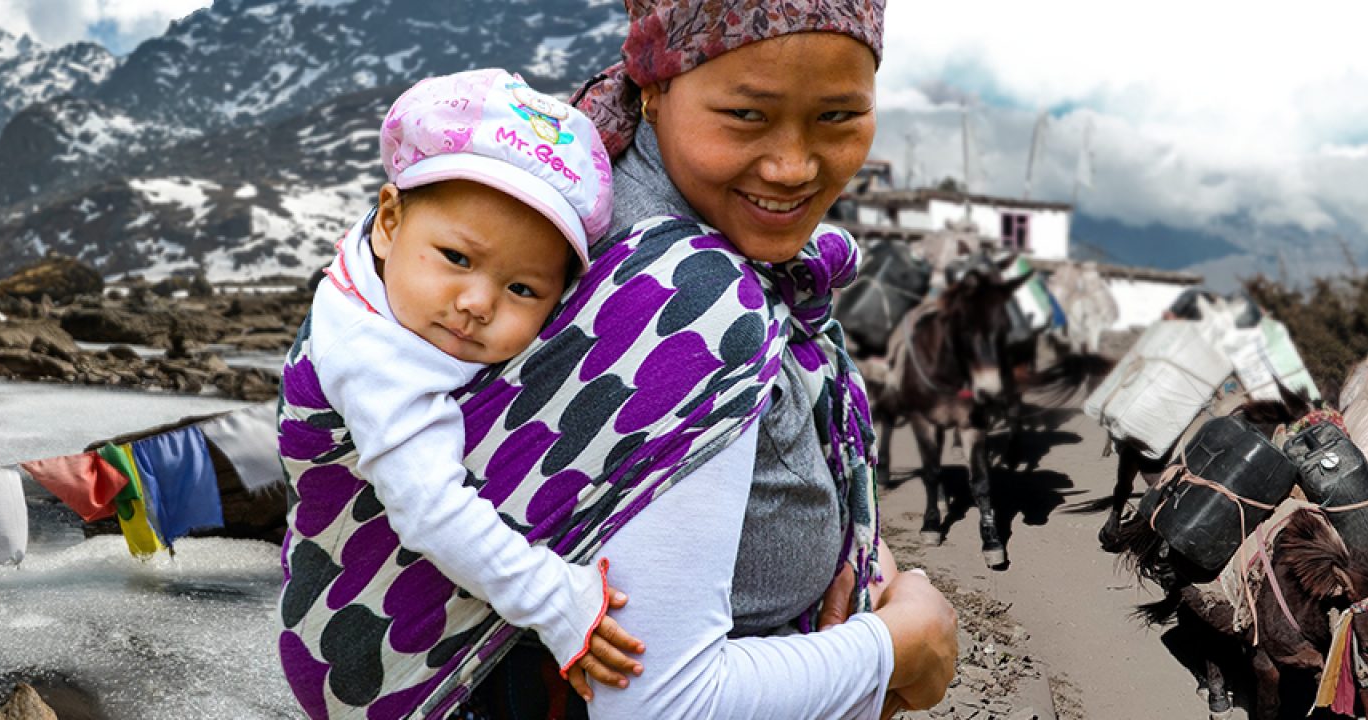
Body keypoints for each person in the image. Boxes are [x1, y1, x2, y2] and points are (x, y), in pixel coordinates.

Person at [461, 0, 961, 718]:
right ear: (655, 84)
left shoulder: (641, 215)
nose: (793, 167)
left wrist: (861, 556)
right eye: (747, 117)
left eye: (839, 118)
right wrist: (901, 645)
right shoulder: (686, 299)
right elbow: (659, 701)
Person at [278, 68, 644, 715]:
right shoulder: (378, 362)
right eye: (457, 258)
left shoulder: (386, 273)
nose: (476, 304)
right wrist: (558, 603)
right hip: (377, 655)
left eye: (523, 289)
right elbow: (431, 512)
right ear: (389, 220)